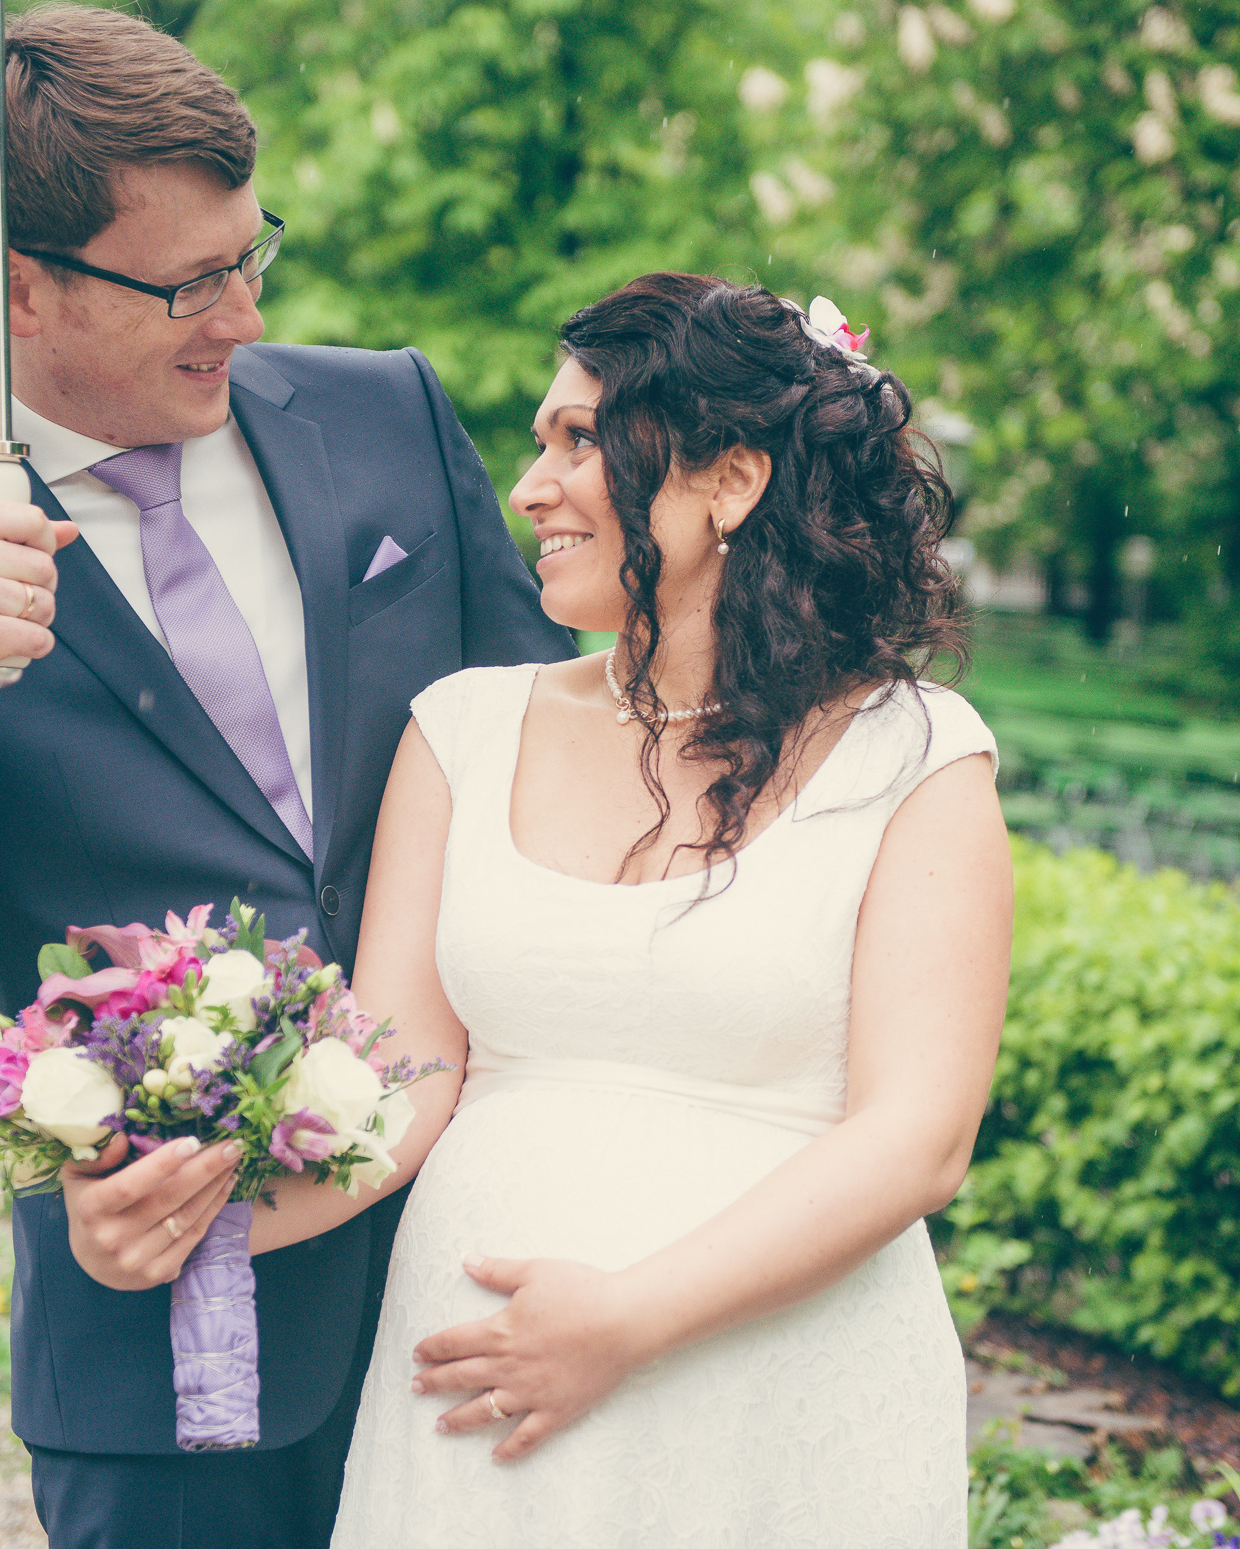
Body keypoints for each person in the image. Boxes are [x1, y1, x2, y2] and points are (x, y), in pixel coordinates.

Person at [0, 3, 570, 1549]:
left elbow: (560, 760)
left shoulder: (390, 413)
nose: (241, 316)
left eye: (255, 255)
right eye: (189, 282)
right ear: (18, 285)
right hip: (172, 1353)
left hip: (493, 1280)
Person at [327, 273, 1014, 1545]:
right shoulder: (461, 731)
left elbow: (920, 1136)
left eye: (579, 441)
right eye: (540, 444)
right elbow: (397, 1085)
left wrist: (626, 1320)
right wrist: (201, 1202)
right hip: (489, 1403)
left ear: (731, 481)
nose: (531, 488)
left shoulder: (914, 756)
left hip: (777, 1408)